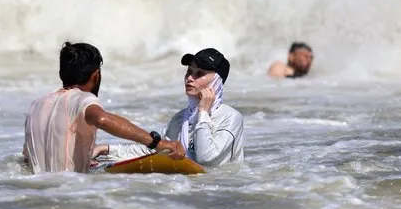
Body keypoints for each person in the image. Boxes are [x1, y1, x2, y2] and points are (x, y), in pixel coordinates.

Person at [22, 41, 185, 174]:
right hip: (70, 194)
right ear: (95, 75)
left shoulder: (36, 106)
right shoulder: (83, 98)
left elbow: (27, 156)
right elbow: (101, 119)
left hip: (40, 195)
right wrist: (156, 142)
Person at [93, 48, 244, 167]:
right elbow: (156, 151)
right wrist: (106, 149)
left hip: (221, 196)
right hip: (190, 193)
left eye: (199, 74)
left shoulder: (230, 117)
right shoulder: (180, 119)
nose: (190, 78)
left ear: (216, 82)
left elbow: (206, 159)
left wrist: (203, 113)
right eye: (189, 71)